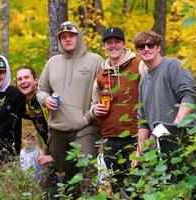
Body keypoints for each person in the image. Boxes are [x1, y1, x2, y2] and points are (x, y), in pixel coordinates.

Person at [37, 21, 104, 196]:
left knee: (87, 169)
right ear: (59, 40)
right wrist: (46, 99)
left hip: (85, 126)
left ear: (78, 36)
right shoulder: (52, 62)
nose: (67, 39)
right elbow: (41, 90)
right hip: (58, 129)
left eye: (71, 36)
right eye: (63, 37)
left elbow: (105, 92)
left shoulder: (95, 60)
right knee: (68, 178)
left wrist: (89, 116)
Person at [130, 31, 196, 169]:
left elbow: (189, 95)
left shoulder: (173, 65)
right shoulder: (143, 82)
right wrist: (139, 153)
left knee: (192, 187)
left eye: (150, 44)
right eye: (141, 46)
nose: (146, 48)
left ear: (158, 47)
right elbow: (143, 121)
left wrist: (174, 127)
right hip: (160, 146)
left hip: (186, 140)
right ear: (137, 51)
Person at [91, 27, 146, 192]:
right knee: (117, 187)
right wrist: (95, 110)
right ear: (104, 46)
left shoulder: (139, 65)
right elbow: (93, 103)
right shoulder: (101, 75)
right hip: (110, 139)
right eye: (109, 43)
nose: (113, 46)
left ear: (124, 44)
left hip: (136, 136)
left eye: (117, 42)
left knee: (138, 187)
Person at [16, 66, 57, 199]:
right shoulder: (26, 103)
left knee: (46, 175)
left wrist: (54, 156)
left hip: (68, 148)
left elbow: (62, 129)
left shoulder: (45, 99)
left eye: (27, 77)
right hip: (51, 148)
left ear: (36, 81)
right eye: (19, 79)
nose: (23, 81)